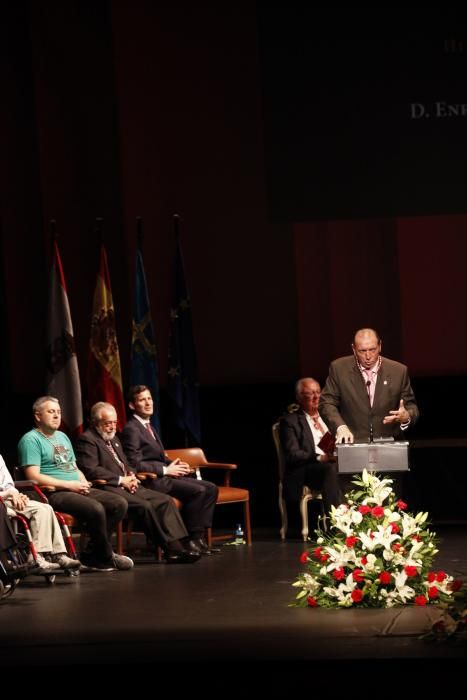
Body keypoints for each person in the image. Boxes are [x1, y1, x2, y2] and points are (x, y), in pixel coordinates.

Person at [17, 396, 133, 572]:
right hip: (52, 492)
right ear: (38, 416)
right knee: (95, 508)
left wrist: (82, 480)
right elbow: (33, 476)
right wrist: (68, 485)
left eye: (58, 412)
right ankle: (106, 556)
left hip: (75, 487)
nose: (56, 416)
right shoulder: (30, 440)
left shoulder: (63, 437)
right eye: (51, 412)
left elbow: (73, 466)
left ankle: (94, 553)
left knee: (119, 503)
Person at [75, 402, 200, 564]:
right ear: (95, 422)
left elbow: (125, 463)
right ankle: (169, 549)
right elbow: (91, 470)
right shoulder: (87, 440)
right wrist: (121, 480)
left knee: (165, 500)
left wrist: (131, 476)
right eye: (108, 423)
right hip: (107, 487)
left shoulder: (114, 439)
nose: (112, 427)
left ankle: (180, 545)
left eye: (114, 422)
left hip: (128, 484)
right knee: (145, 506)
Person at [121, 385, 220, 555]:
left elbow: (157, 456)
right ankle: (188, 540)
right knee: (198, 490)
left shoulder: (148, 426)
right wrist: (166, 470)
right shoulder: (132, 429)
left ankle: (198, 538)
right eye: (142, 400)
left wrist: (176, 464)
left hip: (164, 476)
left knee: (211, 488)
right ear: (132, 405)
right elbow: (134, 463)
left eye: (149, 398)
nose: (148, 403)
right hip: (152, 481)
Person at [319, 327, 419, 443]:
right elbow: (326, 403)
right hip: (353, 444)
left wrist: (406, 416)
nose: (368, 356)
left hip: (390, 445)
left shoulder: (398, 371)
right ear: (353, 349)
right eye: (362, 351)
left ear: (380, 346)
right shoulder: (339, 369)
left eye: (372, 349)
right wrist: (340, 427)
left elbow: (412, 408)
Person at [0, 453, 79, 571]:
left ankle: (58, 555)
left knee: (45, 508)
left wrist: (16, 494)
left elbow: (8, 484)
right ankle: (37, 559)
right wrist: (8, 494)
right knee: (39, 509)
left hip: (9, 498)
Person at [279, 377, 342, 515]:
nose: (316, 397)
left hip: (332, 464)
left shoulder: (327, 418)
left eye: (318, 392)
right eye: (310, 394)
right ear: (299, 398)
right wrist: (321, 457)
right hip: (306, 469)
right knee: (330, 469)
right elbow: (293, 454)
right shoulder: (290, 421)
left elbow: (332, 446)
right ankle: (336, 524)